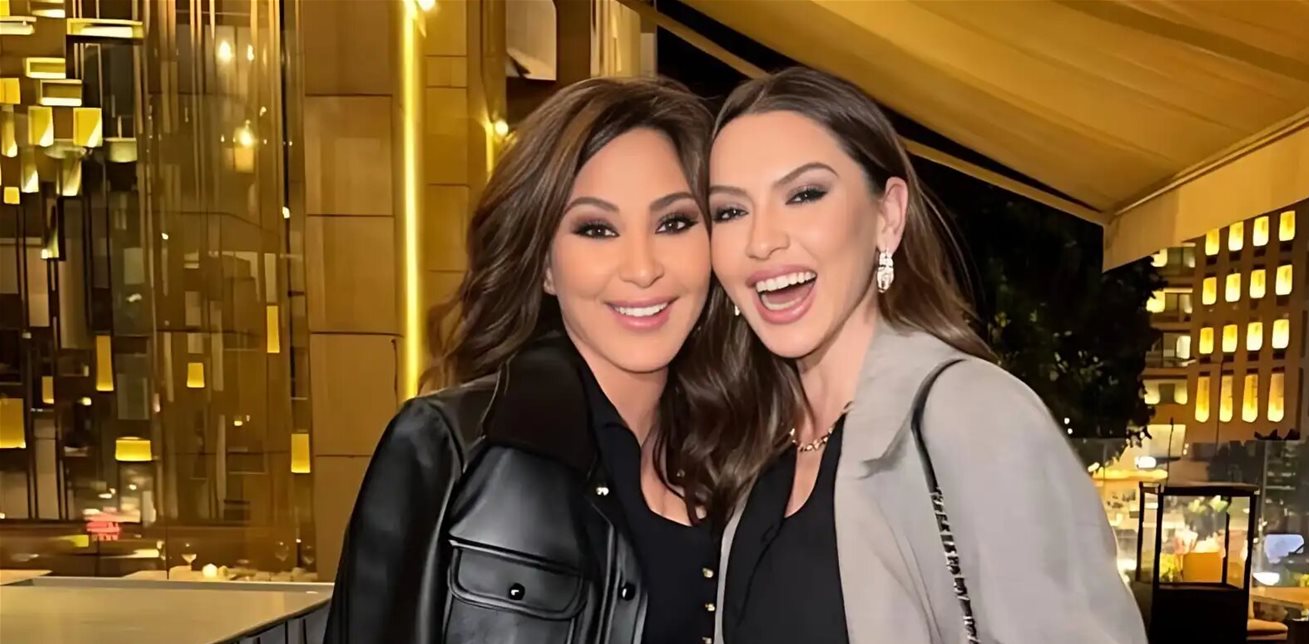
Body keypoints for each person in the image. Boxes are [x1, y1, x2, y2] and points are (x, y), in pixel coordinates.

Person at [706, 67, 1148, 644]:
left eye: (805, 194)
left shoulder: (974, 415)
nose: (762, 240)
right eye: (730, 211)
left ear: (888, 217)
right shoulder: (761, 443)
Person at [323, 77, 761, 644]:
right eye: (596, 229)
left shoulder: (742, 454)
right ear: (546, 267)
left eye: (673, 223)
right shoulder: (454, 449)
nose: (642, 268)